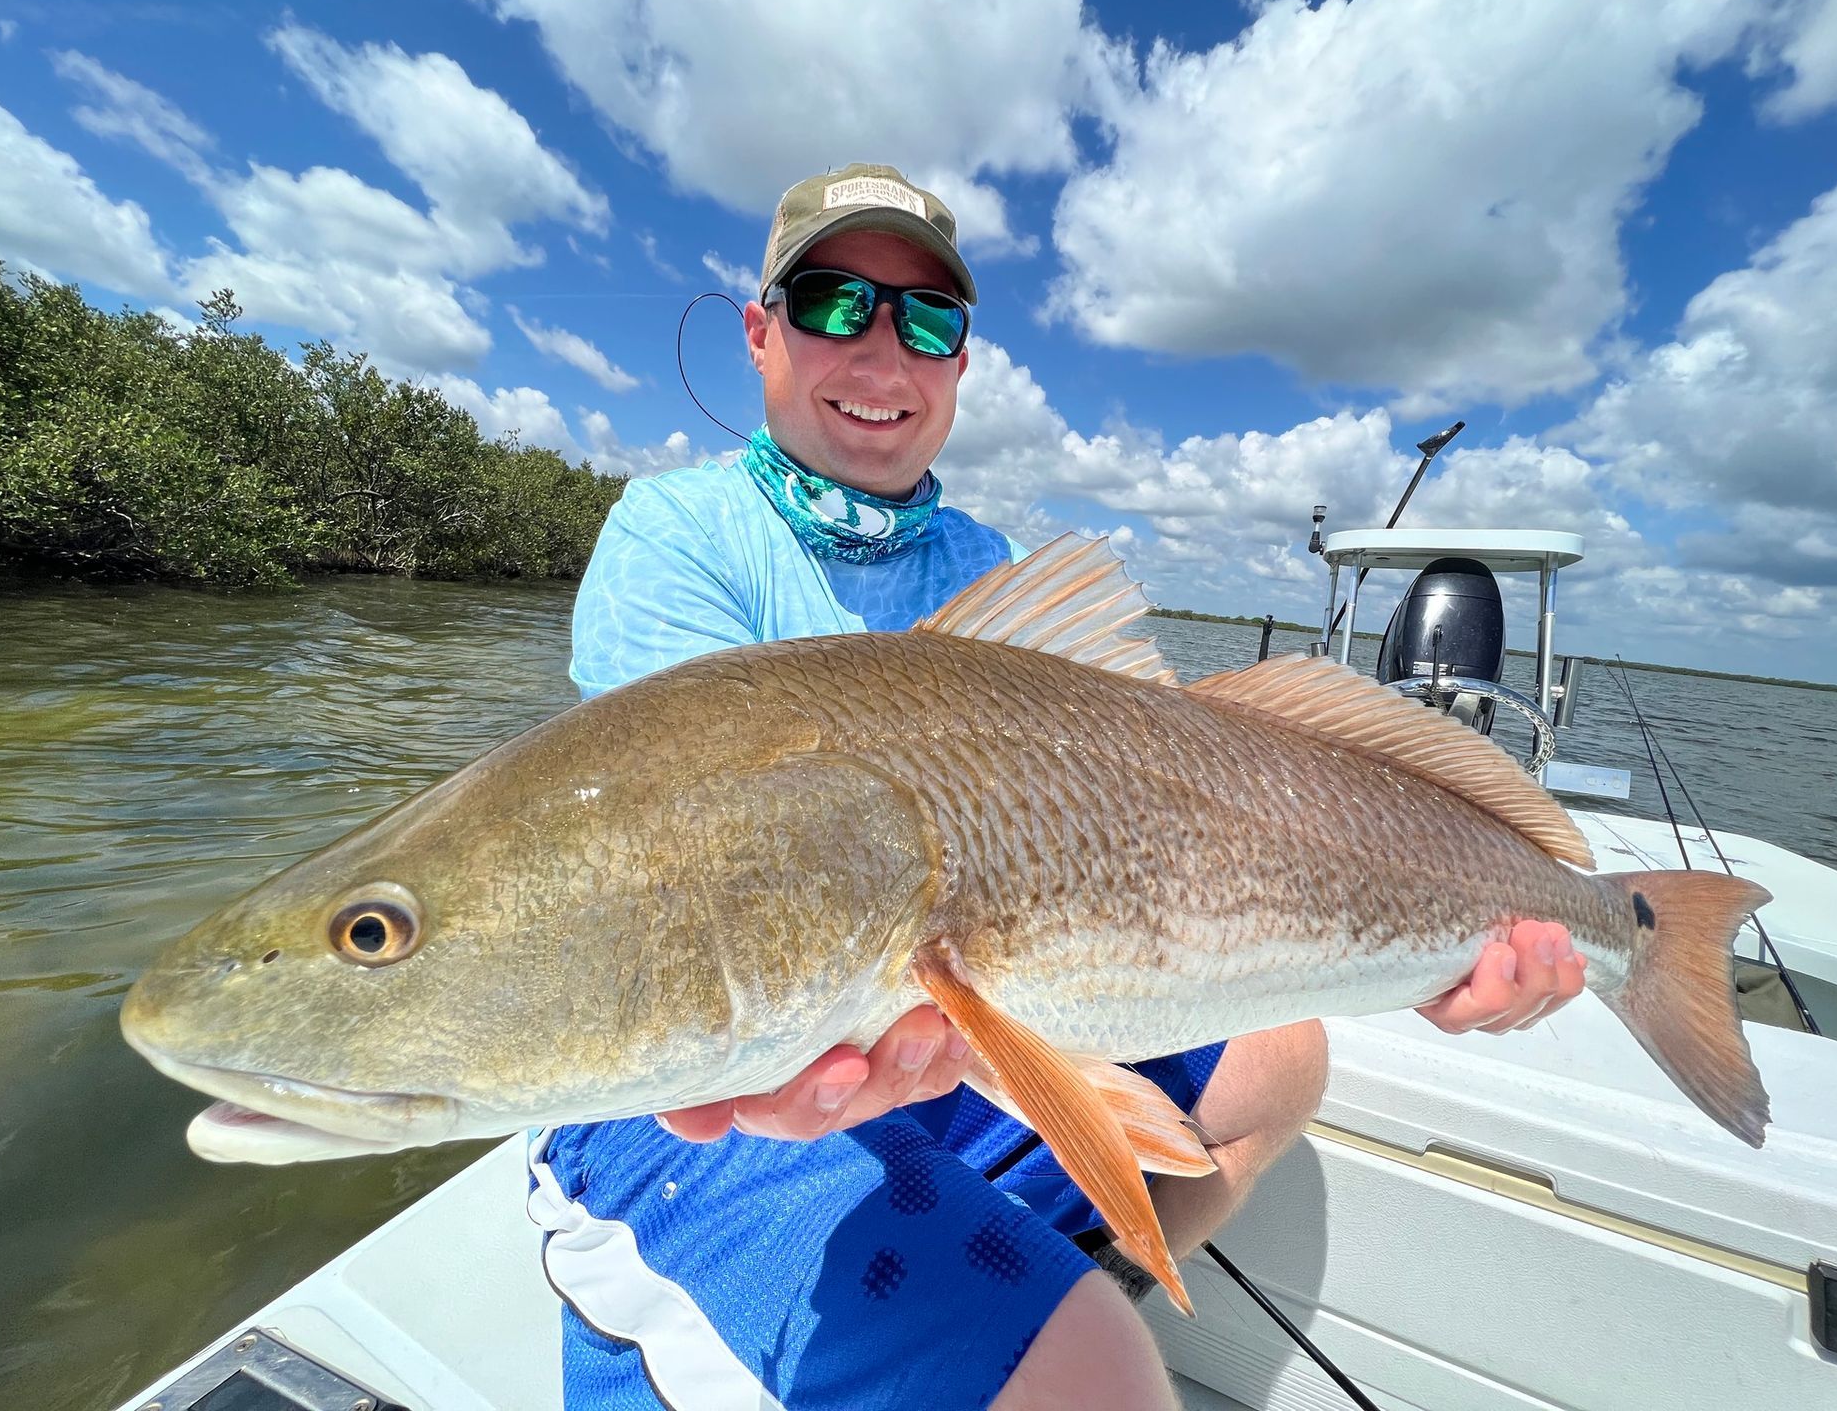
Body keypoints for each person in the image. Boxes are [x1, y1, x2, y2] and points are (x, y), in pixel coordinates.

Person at [537, 163, 1588, 1411]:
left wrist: (1415, 944)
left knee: (1281, 1058)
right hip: (711, 1089)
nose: (885, 351)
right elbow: (708, 875)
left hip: (937, 1027)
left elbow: (1154, 830)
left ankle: (1025, 1295)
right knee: (1101, 1383)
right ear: (762, 333)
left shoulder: (995, 573)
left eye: (928, 320)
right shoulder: (677, 534)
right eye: (834, 302)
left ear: (961, 362)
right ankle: (1017, 1334)